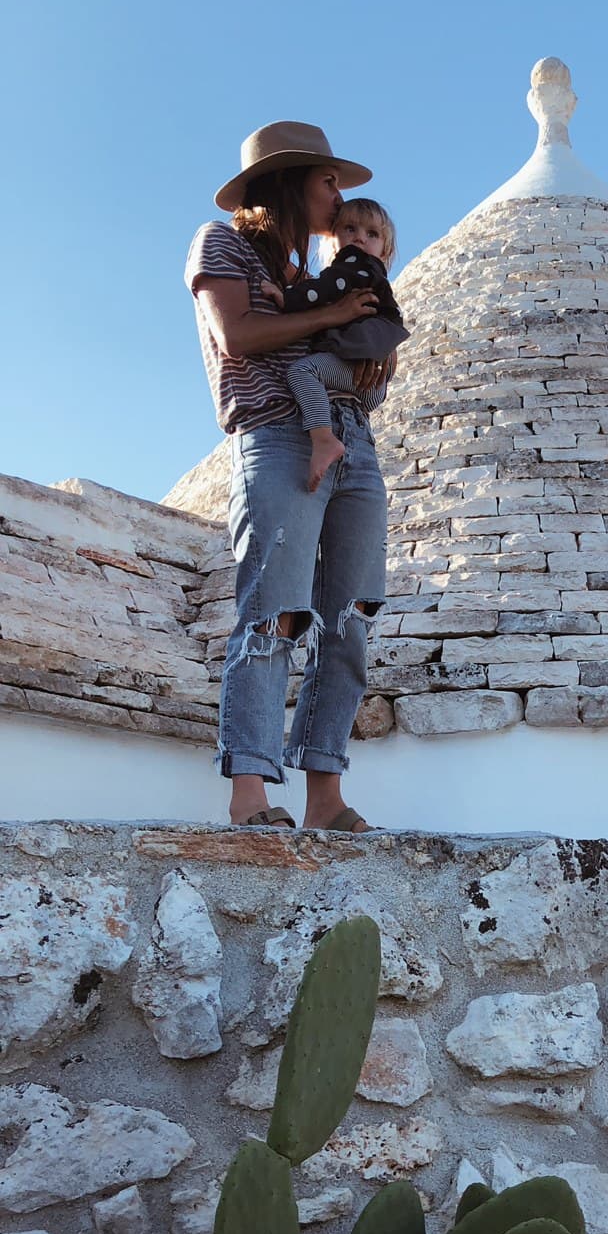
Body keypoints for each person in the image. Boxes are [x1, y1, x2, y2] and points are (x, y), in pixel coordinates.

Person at [184, 120, 394, 832]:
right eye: (329, 179)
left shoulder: (314, 279)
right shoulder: (221, 243)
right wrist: (337, 316)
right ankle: (250, 794)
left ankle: (325, 796)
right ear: (289, 180)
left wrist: (371, 353)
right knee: (275, 612)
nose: (339, 195)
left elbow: (363, 369)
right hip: (275, 440)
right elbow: (237, 334)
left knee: (353, 617)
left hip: (355, 443)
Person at [265, 197, 408, 491]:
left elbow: (324, 289)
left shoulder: (355, 268)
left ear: (385, 248)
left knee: (302, 373)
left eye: (372, 234)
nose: (359, 238)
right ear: (333, 238)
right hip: (370, 385)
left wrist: (286, 297)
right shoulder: (368, 273)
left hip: (353, 365)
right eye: (350, 229)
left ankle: (323, 439)